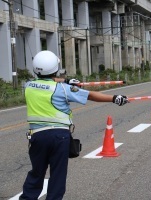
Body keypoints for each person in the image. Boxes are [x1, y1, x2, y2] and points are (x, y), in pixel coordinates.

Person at [19, 50, 129, 200]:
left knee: (36, 173)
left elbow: (44, 82)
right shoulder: (63, 89)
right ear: (55, 69)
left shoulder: (29, 86)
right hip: (59, 137)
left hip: (37, 136)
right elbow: (89, 95)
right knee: (58, 175)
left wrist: (64, 80)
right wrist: (114, 98)